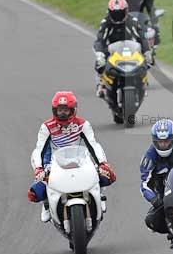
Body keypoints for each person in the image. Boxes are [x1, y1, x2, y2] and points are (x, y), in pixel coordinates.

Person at [28, 91, 117, 222]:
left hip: (78, 157)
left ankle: (100, 195)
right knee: (35, 192)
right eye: (59, 110)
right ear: (54, 110)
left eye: (65, 110)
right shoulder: (46, 127)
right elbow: (39, 149)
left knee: (106, 176)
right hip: (53, 159)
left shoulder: (83, 124)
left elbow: (93, 144)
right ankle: (47, 204)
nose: (62, 113)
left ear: (73, 110)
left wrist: (102, 163)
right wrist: (39, 169)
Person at [93, 0, 152, 97]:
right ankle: (101, 84)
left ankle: (142, 82)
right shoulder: (105, 22)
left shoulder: (132, 21)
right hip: (111, 50)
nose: (117, 16)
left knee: (144, 61)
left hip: (129, 48)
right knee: (99, 63)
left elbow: (142, 37)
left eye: (120, 13)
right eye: (115, 13)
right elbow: (99, 39)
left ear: (126, 11)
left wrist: (147, 52)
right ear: (109, 12)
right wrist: (100, 54)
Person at [140, 119, 173, 234]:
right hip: (164, 192)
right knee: (152, 221)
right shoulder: (149, 157)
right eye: (159, 142)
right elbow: (144, 183)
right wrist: (154, 200)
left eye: (166, 141)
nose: (163, 145)